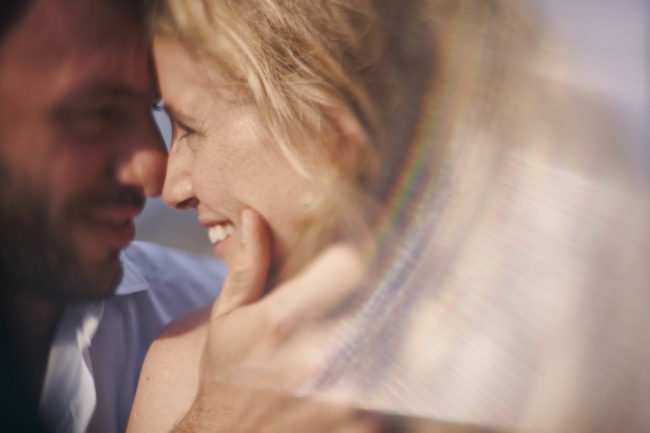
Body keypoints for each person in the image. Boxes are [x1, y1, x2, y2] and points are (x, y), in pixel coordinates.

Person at [130, 0, 650, 432]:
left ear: (324, 128)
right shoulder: (184, 377)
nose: (172, 188)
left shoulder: (583, 345)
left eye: (189, 128)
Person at [0, 1, 367, 432]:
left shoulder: (220, 321)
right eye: (98, 114)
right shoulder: (188, 364)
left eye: (166, 117)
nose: (157, 179)